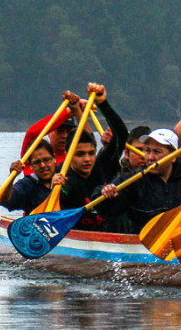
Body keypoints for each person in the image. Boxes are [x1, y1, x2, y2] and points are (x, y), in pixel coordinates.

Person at [95, 79, 181, 233]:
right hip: (143, 244)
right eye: (147, 150)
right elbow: (104, 209)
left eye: (157, 152)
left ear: (173, 157)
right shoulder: (134, 180)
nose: (150, 157)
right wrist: (105, 193)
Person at [54, 83, 128, 229]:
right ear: (68, 155)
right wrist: (54, 189)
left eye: (91, 153)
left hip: (107, 230)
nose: (87, 159)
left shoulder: (102, 164)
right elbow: (61, 194)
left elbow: (121, 135)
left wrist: (103, 104)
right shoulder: (62, 177)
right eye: (80, 154)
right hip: (76, 231)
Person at [19, 92, 88, 175]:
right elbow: (32, 133)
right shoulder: (33, 155)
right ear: (49, 132)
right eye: (59, 131)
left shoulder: (78, 159)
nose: (65, 136)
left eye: (68, 131)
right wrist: (71, 111)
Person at [0, 140, 64, 215]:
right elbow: (4, 201)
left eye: (46, 160)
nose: (43, 165)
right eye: (37, 162)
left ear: (54, 159)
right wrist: (11, 177)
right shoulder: (27, 185)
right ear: (30, 166)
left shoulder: (66, 173)